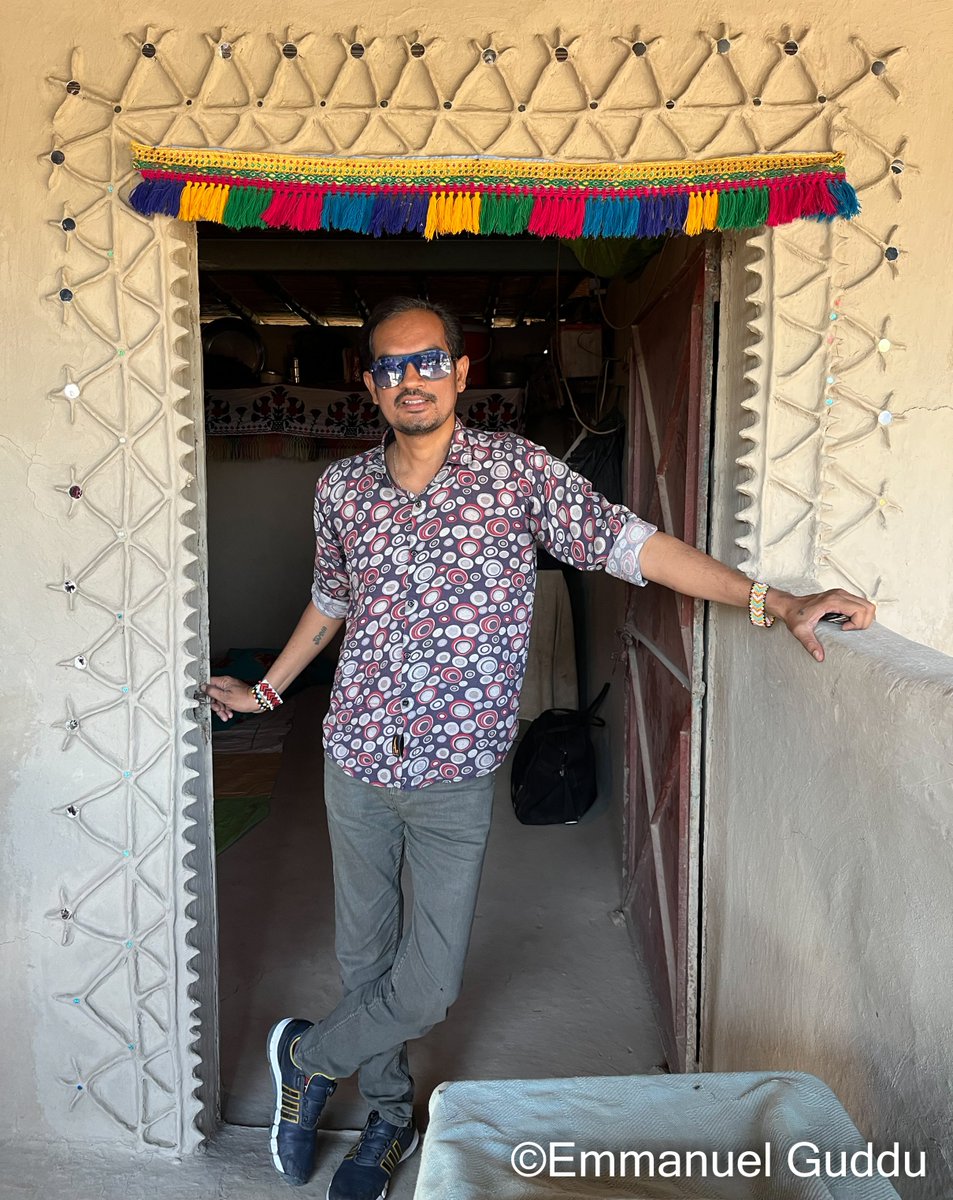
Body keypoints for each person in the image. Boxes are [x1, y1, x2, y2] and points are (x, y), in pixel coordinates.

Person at [202, 296, 875, 1198]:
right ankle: (388, 1122)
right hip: (355, 756)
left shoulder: (516, 474)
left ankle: (307, 1058)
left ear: (461, 371)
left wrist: (774, 601)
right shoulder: (341, 490)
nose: (413, 379)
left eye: (430, 360)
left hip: (452, 775)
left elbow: (632, 545)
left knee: (425, 983)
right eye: (393, 366)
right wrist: (269, 689)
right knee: (366, 960)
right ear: (370, 384)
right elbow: (332, 600)